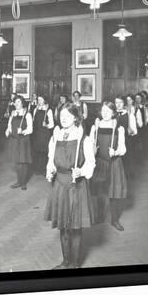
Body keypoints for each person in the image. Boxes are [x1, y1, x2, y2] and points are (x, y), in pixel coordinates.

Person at [45, 102, 95, 269]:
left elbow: (90, 164)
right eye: (61, 115)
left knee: (75, 226)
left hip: (76, 186)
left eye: (67, 115)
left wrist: (81, 172)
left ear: (75, 117)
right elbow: (50, 160)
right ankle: (65, 262)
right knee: (63, 226)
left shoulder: (84, 139)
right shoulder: (56, 136)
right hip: (59, 184)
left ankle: (75, 264)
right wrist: (50, 170)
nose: (63, 118)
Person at [90, 102, 128, 230]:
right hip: (100, 162)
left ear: (113, 113)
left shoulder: (118, 128)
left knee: (113, 193)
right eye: (103, 110)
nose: (105, 113)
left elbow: (123, 149)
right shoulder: (95, 126)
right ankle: (100, 216)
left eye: (108, 111)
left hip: (114, 163)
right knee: (99, 192)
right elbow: (90, 144)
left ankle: (115, 220)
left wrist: (116, 152)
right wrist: (92, 150)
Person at [5, 95, 33, 190]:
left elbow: (30, 129)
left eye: (18, 102)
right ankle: (18, 181)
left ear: (22, 103)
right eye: (15, 102)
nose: (16, 104)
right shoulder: (13, 113)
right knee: (17, 161)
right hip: (14, 140)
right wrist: (7, 131)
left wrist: (23, 131)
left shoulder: (27, 114)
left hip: (23, 141)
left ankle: (23, 182)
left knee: (23, 162)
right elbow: (9, 124)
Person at [31, 94, 54, 174]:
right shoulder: (35, 109)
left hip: (44, 133)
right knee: (37, 150)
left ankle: (44, 170)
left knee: (44, 151)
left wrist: (46, 125)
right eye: (38, 100)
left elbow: (52, 124)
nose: (39, 101)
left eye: (41, 100)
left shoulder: (49, 110)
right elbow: (33, 120)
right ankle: (37, 169)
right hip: (37, 132)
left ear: (44, 101)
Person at [116, 95, 137, 175]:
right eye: (116, 102)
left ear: (124, 103)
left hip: (126, 141)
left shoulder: (129, 115)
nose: (118, 105)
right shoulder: (112, 114)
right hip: (115, 141)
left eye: (120, 102)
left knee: (126, 162)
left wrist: (129, 130)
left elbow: (134, 132)